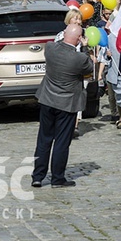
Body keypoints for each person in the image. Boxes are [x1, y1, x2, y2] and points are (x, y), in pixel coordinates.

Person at [31, 25, 94, 188]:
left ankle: (37, 176)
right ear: (79, 38)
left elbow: (56, 43)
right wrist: (85, 47)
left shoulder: (50, 49)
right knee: (61, 142)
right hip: (67, 104)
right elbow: (89, 67)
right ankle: (57, 178)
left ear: (64, 34)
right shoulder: (79, 58)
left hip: (47, 100)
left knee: (44, 140)